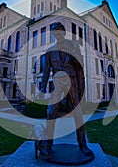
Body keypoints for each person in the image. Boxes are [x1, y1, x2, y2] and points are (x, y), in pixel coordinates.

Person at [37, 22, 93, 158]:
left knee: (77, 112)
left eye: (59, 31)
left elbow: (80, 65)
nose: (57, 34)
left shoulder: (72, 45)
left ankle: (82, 144)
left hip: (72, 81)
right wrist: (42, 88)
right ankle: (48, 145)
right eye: (54, 32)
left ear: (63, 32)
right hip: (58, 83)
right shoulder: (50, 51)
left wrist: (75, 53)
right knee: (51, 112)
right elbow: (46, 72)